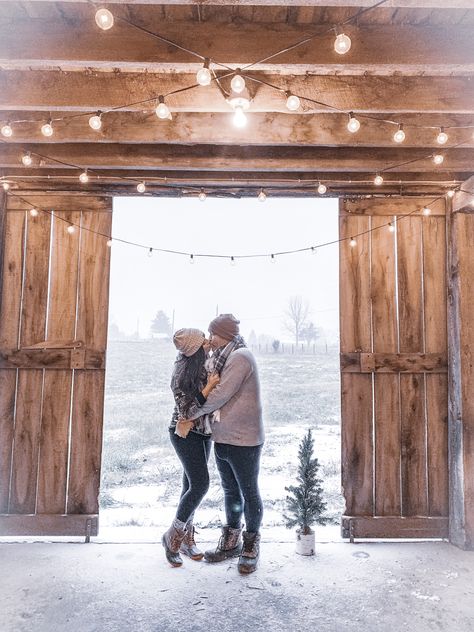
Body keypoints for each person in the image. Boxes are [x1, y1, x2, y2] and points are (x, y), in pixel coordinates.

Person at [177, 314, 264, 574]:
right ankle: (231, 541)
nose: (209, 338)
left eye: (212, 333)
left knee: (248, 492)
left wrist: (189, 413)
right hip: (223, 437)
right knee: (230, 491)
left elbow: (219, 394)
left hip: (244, 440)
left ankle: (250, 545)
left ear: (224, 334)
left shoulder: (240, 357)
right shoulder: (223, 356)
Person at [162, 328, 220, 567]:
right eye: (203, 340)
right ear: (195, 350)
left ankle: (185, 539)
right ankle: (172, 536)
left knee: (190, 486)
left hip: (203, 434)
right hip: (185, 435)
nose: (207, 341)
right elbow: (187, 413)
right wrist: (209, 387)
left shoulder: (202, 361)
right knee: (200, 484)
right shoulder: (181, 373)